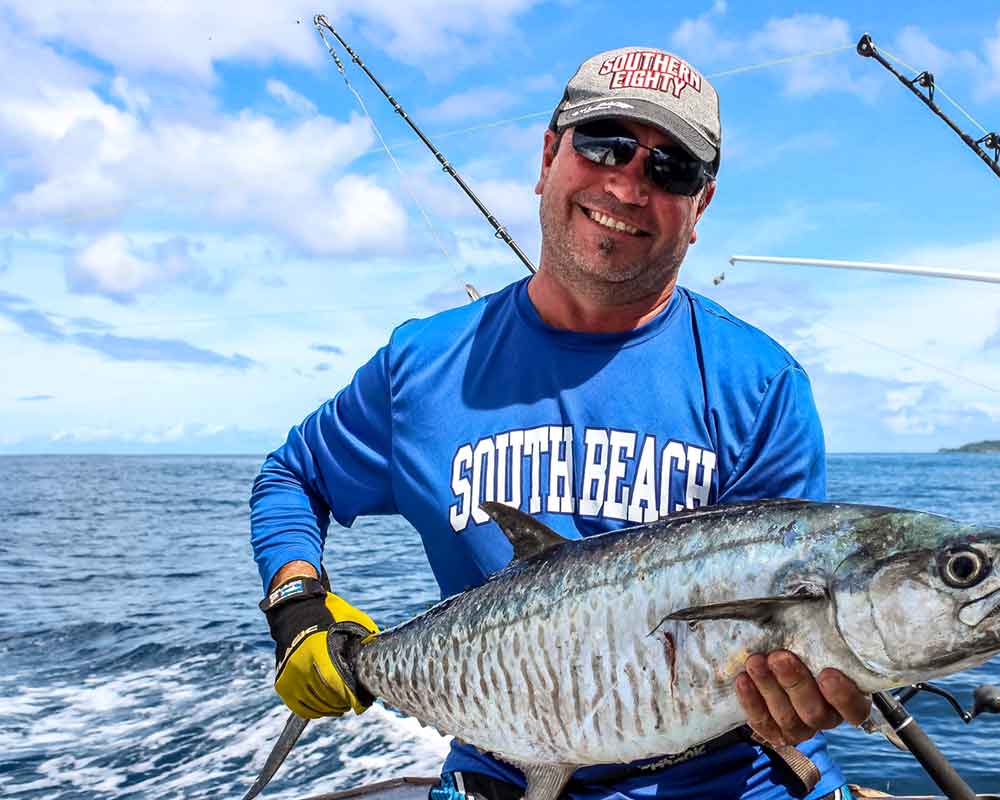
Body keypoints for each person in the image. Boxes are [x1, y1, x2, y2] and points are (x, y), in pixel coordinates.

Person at [250, 46, 870, 800]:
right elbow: (293, 476)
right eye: (604, 143)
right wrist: (297, 602)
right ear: (549, 155)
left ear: (699, 206)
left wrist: (798, 706)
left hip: (728, 781)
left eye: (669, 169)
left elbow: (786, 658)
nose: (627, 182)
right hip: (499, 771)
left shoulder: (761, 384)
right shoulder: (422, 365)